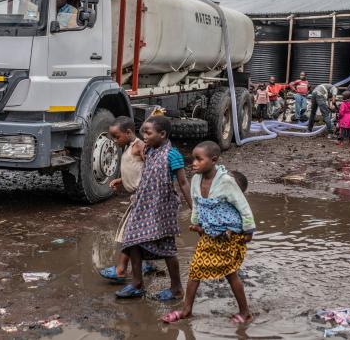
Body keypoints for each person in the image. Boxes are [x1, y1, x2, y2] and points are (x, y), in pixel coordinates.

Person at [161, 141, 255, 324]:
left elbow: (243, 206)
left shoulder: (226, 182)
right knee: (195, 270)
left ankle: (245, 312)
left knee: (230, 273)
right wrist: (196, 224)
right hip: (209, 235)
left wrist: (249, 230)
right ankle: (186, 310)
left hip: (228, 235)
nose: (193, 163)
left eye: (198, 159)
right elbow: (197, 205)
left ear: (213, 160)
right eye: (193, 159)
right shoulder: (196, 179)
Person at [116, 116, 192, 300]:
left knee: (166, 246)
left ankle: (176, 288)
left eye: (148, 133)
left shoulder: (172, 155)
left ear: (163, 134)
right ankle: (137, 283)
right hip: (142, 205)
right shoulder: (149, 150)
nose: (144, 136)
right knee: (131, 240)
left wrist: (195, 209)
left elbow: (182, 182)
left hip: (162, 208)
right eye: (143, 132)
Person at [98, 117, 155, 282]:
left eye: (117, 137)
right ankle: (148, 264)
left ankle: (121, 270)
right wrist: (121, 180)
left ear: (129, 132)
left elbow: (151, 169)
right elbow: (136, 170)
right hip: (137, 198)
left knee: (128, 233)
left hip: (143, 198)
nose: (115, 142)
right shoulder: (130, 147)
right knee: (142, 234)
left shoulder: (139, 146)